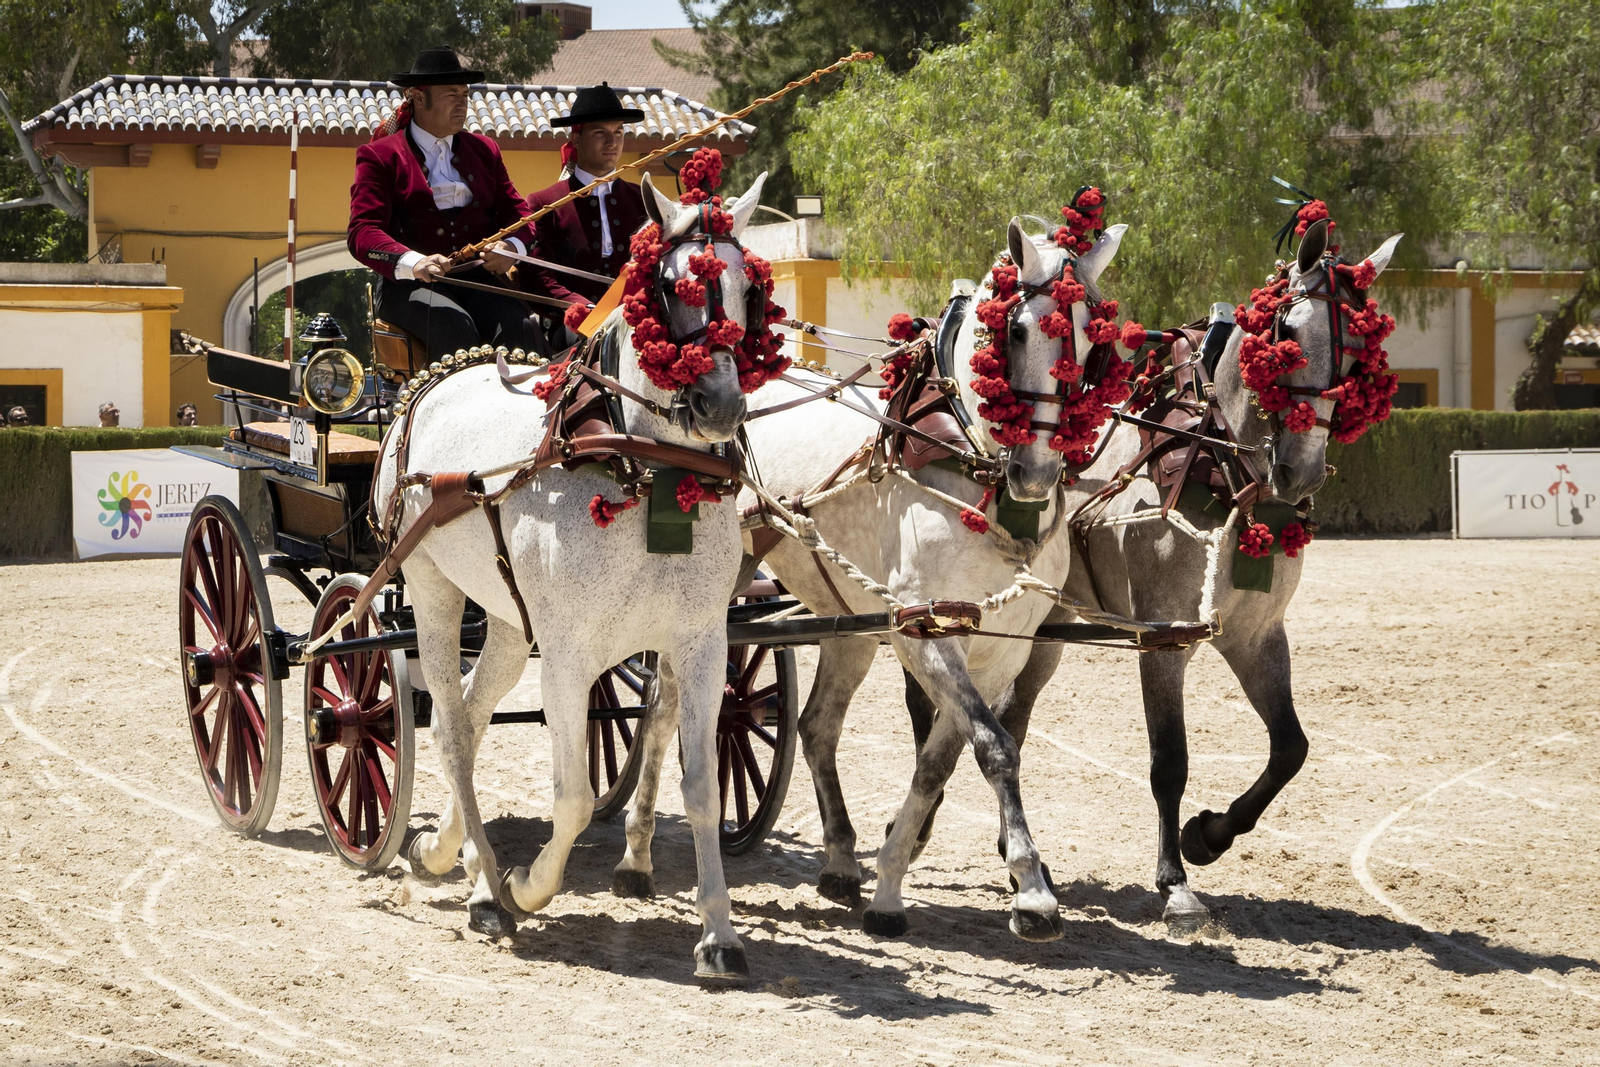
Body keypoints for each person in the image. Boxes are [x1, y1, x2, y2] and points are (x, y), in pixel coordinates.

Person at [348, 46, 546, 357]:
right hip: (408, 288)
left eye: (465, 94)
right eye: (451, 94)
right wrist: (415, 262)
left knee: (522, 329)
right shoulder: (380, 155)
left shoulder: (485, 150)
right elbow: (362, 232)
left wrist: (513, 248)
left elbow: (519, 214)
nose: (462, 102)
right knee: (455, 329)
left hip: (478, 281)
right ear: (419, 98)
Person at [523, 83, 650, 328]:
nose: (612, 142)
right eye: (600, 133)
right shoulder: (546, 203)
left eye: (619, 132)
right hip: (573, 327)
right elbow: (537, 276)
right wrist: (580, 308)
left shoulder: (643, 200)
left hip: (636, 323)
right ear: (576, 139)